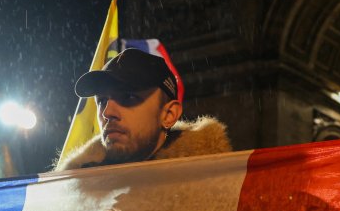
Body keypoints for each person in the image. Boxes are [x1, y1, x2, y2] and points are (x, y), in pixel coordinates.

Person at [54, 48, 231, 170]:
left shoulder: (216, 187)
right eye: (101, 101)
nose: (107, 113)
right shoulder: (77, 187)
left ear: (168, 115)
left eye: (129, 97)